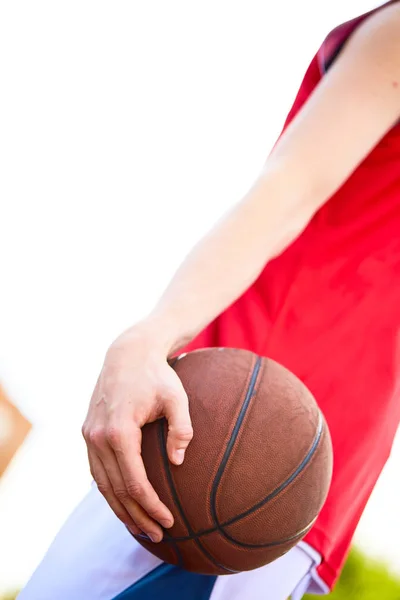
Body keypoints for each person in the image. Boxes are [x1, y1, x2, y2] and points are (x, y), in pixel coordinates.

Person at [18, 1, 400, 598]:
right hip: (266, 459)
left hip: (268, 461)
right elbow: (301, 201)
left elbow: (297, 198)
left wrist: (152, 334)